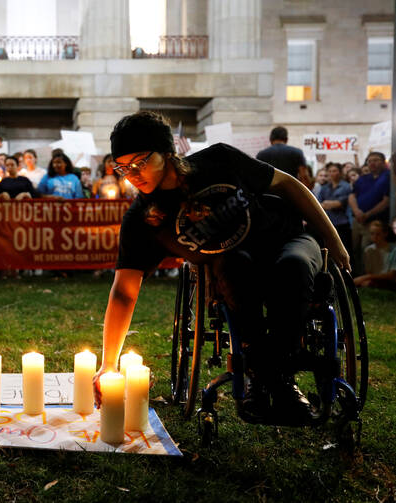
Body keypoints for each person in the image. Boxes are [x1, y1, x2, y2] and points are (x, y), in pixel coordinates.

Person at [91, 112, 349, 422]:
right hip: (236, 266)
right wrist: (108, 363)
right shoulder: (144, 217)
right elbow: (124, 292)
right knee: (232, 265)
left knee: (291, 266)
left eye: (139, 162)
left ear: (167, 151)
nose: (131, 174)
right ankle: (267, 378)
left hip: (286, 239)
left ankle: (277, 380)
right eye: (122, 167)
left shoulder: (219, 161)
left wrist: (333, 241)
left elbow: (288, 184)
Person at [348, 152, 390, 275]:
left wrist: (367, 214)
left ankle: (368, 276)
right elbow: (352, 195)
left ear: (383, 162)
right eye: (370, 161)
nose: (372, 163)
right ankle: (356, 275)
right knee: (354, 249)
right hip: (357, 220)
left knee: (367, 249)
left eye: (376, 160)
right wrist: (356, 211)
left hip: (374, 221)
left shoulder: (388, 177)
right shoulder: (363, 178)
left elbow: (386, 201)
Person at [317, 162, 352, 258]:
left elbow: (340, 203)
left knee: (343, 250)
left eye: (334, 171)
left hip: (342, 223)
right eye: (330, 171)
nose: (332, 173)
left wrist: (329, 204)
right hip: (328, 222)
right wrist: (330, 204)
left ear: (340, 172)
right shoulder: (324, 187)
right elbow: (319, 204)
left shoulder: (346, 186)